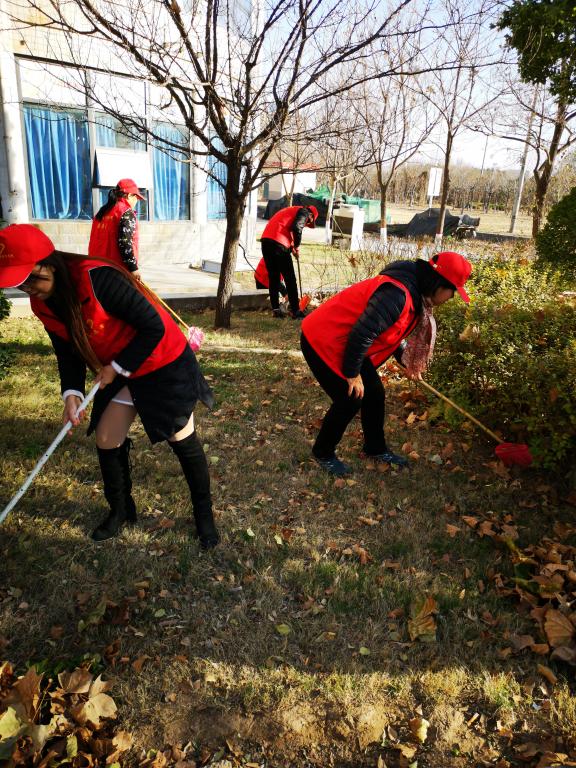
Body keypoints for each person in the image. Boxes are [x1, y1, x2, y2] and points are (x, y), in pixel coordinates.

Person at [0, 224, 219, 548]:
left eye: (32, 278)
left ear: (51, 263)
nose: (28, 289)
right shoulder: (42, 304)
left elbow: (153, 327)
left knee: (181, 437)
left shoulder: (98, 279)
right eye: (19, 283)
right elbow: (67, 350)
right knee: (106, 438)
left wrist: (115, 368)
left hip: (162, 361)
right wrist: (71, 393)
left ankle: (204, 516)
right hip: (119, 369)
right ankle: (121, 510)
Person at [300, 251, 472, 476]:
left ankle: (375, 448)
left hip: (347, 342)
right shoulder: (397, 294)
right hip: (324, 338)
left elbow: (392, 333)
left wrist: (406, 361)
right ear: (439, 284)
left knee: (374, 393)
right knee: (350, 398)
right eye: (453, 291)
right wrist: (352, 374)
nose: (452, 297)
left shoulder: (415, 294)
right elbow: (362, 334)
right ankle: (323, 452)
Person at [260, 204, 318, 319]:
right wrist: (297, 246)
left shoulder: (291, 210)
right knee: (290, 279)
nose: (307, 224)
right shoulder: (304, 212)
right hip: (279, 243)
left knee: (274, 277)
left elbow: (286, 229)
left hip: (266, 241)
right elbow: (297, 227)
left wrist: (292, 248)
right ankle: (296, 311)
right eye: (308, 222)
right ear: (311, 215)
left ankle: (276, 310)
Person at [88, 179, 144, 279]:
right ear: (129, 195)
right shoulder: (126, 213)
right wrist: (133, 268)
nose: (136, 201)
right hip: (117, 270)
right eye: (136, 197)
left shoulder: (102, 212)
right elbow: (125, 243)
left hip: (96, 267)